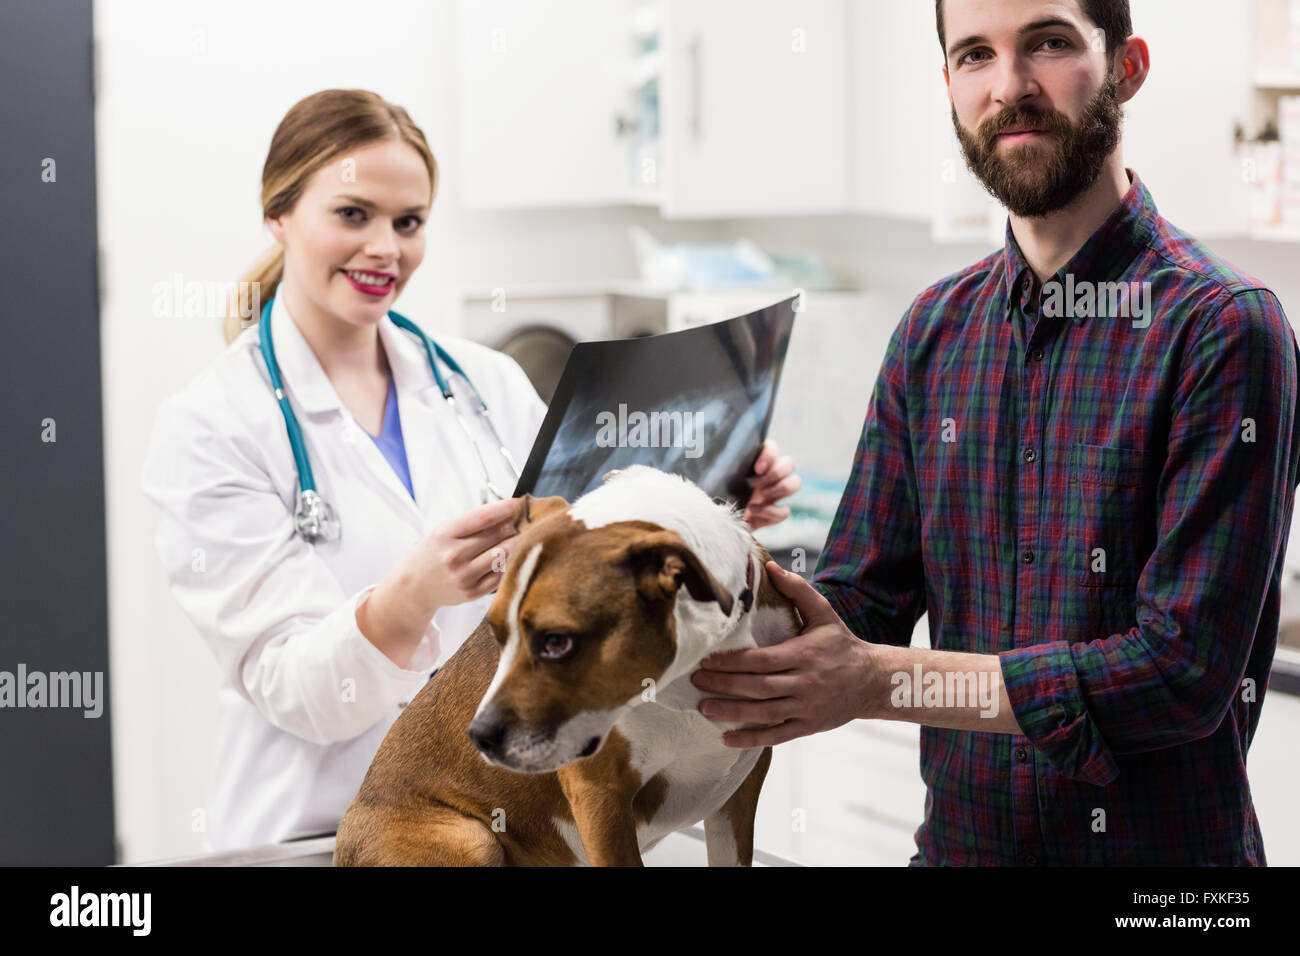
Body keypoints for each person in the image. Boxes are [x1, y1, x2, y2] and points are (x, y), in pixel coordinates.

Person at [691, 0, 1300, 865]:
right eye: (975, 55)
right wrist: (706, 544)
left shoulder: (1224, 329)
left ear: (1127, 66)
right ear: (949, 86)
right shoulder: (935, 329)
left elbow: (1179, 675)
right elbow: (858, 602)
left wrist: (879, 680)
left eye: (1048, 43)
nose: (1009, 87)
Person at [141, 88, 800, 851]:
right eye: (353, 214)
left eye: (408, 222)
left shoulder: (483, 382)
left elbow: (601, 567)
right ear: (278, 215)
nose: (386, 247)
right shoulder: (210, 427)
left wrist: (717, 508)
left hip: (514, 822)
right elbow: (292, 689)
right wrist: (413, 595)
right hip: (314, 831)